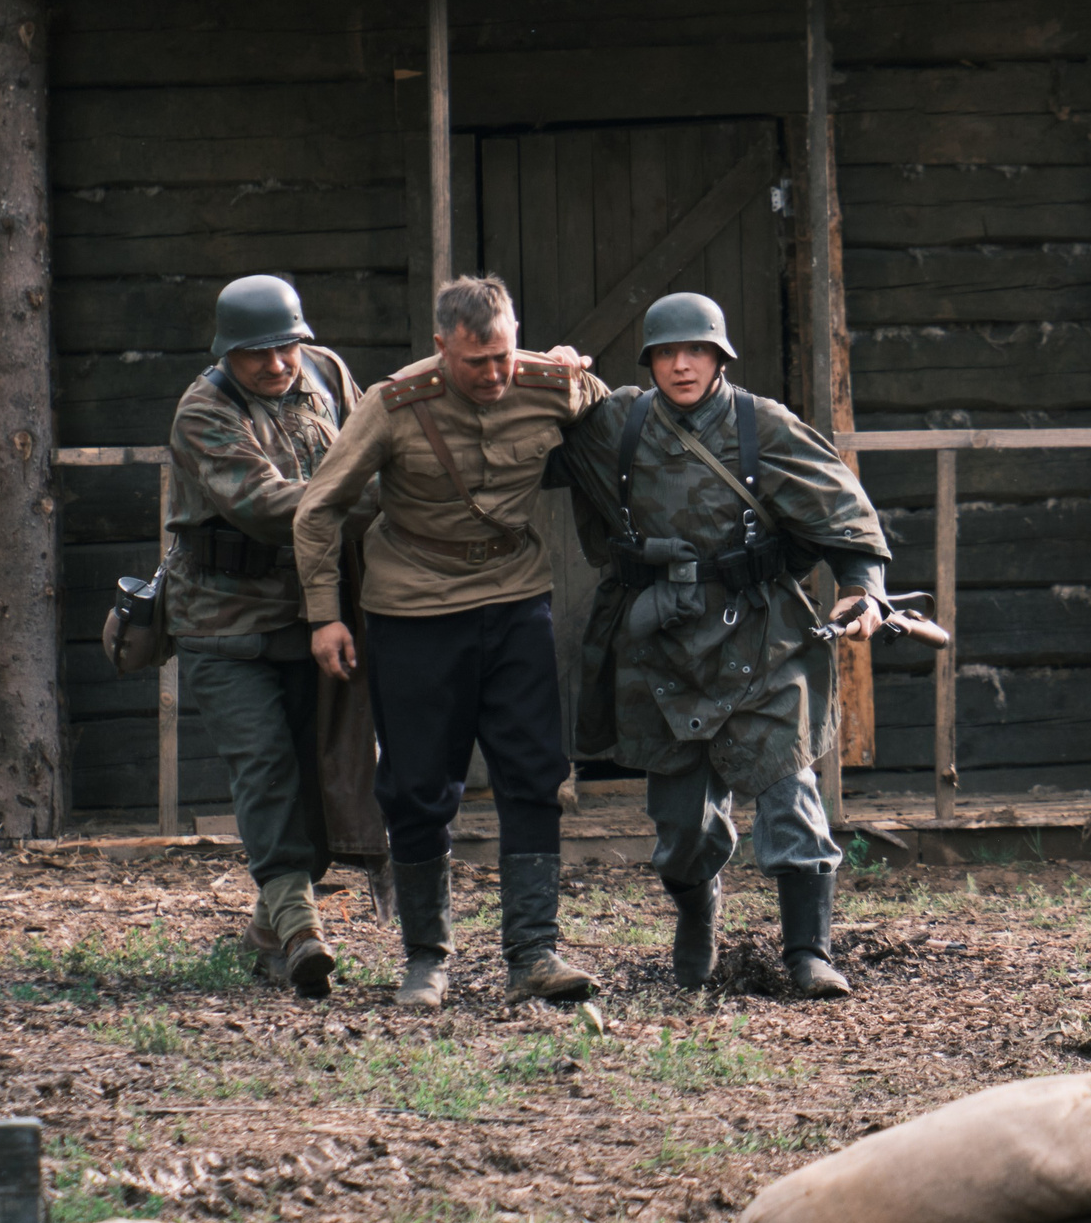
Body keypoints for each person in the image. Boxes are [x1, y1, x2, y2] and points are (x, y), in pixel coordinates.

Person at [558, 292, 889, 999]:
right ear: (648, 362)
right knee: (681, 830)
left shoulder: (761, 425)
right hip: (665, 643)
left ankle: (808, 952)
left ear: (719, 357)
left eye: (697, 351)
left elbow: (843, 510)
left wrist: (864, 586)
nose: (683, 364)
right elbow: (537, 412)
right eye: (668, 353)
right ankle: (696, 919)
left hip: (764, 635)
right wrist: (558, 372)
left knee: (789, 797)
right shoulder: (617, 423)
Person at [292, 275, 603, 1011]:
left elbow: (596, 403)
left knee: (535, 772)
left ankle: (534, 952)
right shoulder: (394, 404)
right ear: (441, 349)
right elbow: (318, 508)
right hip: (415, 611)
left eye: (504, 355)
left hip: (516, 599)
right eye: (476, 362)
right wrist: (324, 614)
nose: (495, 374)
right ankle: (427, 958)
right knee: (418, 784)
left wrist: (572, 364)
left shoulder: (547, 382)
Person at [162, 275, 367, 999]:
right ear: (227, 352)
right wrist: (374, 499)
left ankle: (265, 928)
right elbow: (269, 504)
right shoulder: (203, 411)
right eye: (258, 354)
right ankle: (302, 930)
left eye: (287, 346)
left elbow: (373, 439)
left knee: (314, 777)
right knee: (265, 769)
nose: (278, 364)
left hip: (314, 615)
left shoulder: (329, 371)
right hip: (223, 624)